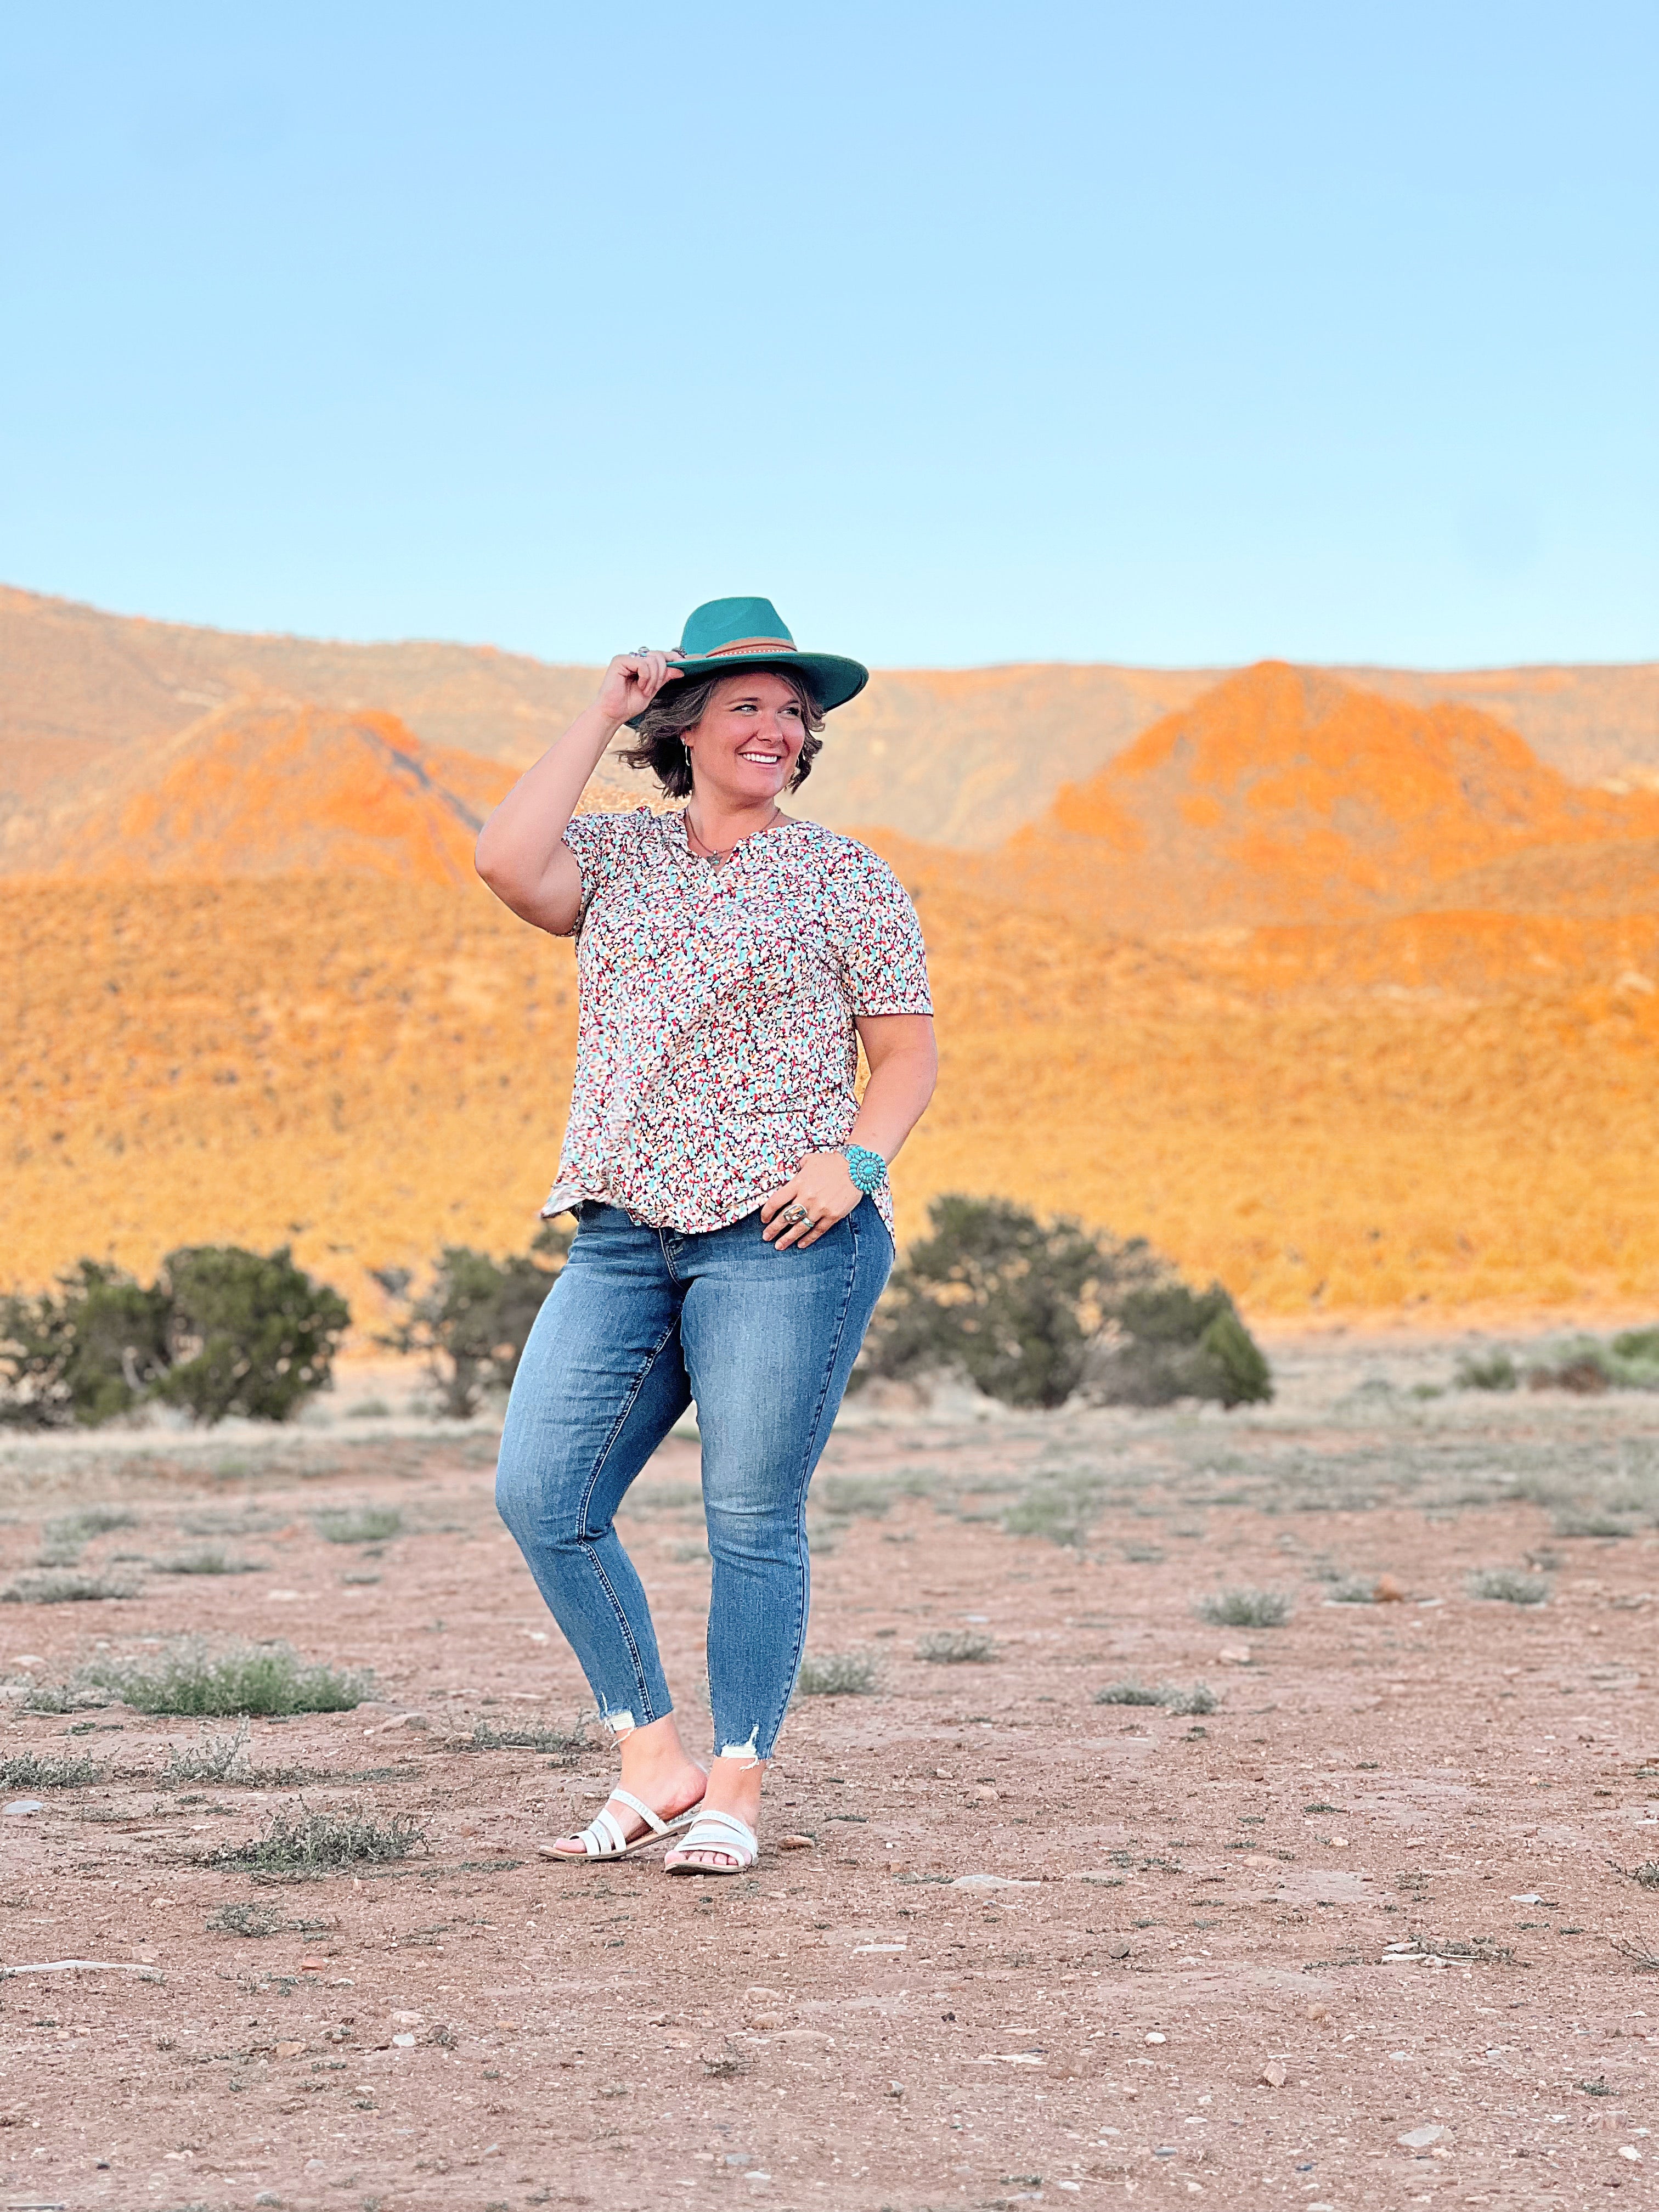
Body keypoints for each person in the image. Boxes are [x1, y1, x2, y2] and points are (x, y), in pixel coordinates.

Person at [476, 597, 937, 1874]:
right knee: (543, 1495)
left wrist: (853, 1166)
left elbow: (906, 1053)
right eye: (747, 705)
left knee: (750, 1512)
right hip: (623, 1231)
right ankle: (652, 1761)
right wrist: (599, 708)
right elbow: (506, 862)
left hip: (785, 1236)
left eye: (795, 712)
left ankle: (734, 1786)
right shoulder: (615, 858)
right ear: (683, 723)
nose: (777, 729)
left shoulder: (847, 875)